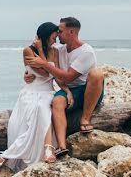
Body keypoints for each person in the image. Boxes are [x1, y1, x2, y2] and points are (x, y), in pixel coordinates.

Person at [0, 22, 63, 176]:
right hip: (31, 92)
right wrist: (42, 54)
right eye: (54, 36)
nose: (55, 40)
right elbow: (45, 73)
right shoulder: (28, 50)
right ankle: (47, 149)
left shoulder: (55, 51)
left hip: (48, 91)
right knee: (38, 109)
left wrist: (42, 53)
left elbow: (52, 73)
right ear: (46, 34)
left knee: (42, 107)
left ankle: (4, 157)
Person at [25, 16, 105, 157]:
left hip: (87, 89)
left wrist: (43, 65)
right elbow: (46, 64)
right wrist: (28, 73)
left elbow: (68, 76)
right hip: (69, 90)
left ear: (71, 32)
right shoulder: (59, 49)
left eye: (60, 31)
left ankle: (85, 118)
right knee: (56, 102)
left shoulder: (86, 52)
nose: (57, 33)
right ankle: (61, 146)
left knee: (97, 73)